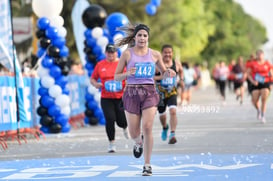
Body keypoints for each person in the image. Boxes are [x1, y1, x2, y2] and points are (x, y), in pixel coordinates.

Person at [114, 24, 176, 176]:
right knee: (134, 132)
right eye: (139, 35)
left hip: (149, 92)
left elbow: (164, 72)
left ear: (148, 38)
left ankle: (147, 165)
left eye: (145, 35)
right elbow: (116, 77)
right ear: (135, 37)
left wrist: (170, 72)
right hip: (131, 92)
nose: (142, 38)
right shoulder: (127, 54)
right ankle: (138, 142)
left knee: (147, 127)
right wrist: (128, 73)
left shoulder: (154, 54)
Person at [90, 43, 129, 153]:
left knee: (121, 121)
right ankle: (111, 143)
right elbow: (92, 78)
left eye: (113, 52)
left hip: (120, 97)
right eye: (109, 52)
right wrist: (96, 84)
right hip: (106, 97)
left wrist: (127, 87)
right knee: (110, 119)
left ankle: (125, 126)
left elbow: (129, 77)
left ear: (116, 53)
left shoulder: (122, 64)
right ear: (105, 53)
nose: (111, 54)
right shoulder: (100, 65)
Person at [154, 44, 184, 144]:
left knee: (173, 111)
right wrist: (162, 77)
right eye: (165, 52)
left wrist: (181, 80)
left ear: (172, 53)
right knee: (162, 115)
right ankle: (165, 127)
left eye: (169, 52)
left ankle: (172, 134)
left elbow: (181, 71)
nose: (167, 54)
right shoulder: (157, 65)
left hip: (172, 92)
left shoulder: (176, 63)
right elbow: (152, 78)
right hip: (160, 94)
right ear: (162, 53)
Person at [246, 49, 273, 123]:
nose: (260, 56)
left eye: (261, 54)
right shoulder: (253, 63)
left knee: (264, 99)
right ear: (257, 56)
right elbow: (248, 74)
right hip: (256, 83)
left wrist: (271, 83)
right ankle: (258, 110)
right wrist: (253, 81)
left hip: (265, 82)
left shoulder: (267, 63)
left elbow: (271, 74)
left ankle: (263, 115)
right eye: (258, 54)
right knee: (254, 101)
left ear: (263, 55)